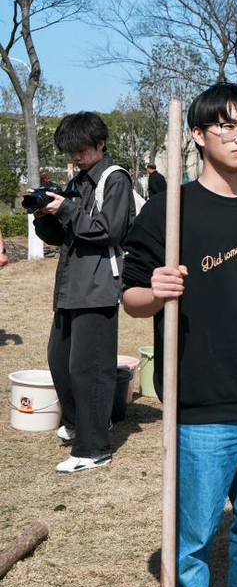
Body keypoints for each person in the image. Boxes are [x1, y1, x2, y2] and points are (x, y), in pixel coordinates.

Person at [121, 83, 237, 587]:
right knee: (192, 540)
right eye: (228, 126)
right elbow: (130, 297)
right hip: (200, 403)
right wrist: (155, 292)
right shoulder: (168, 211)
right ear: (199, 135)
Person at [33, 111, 135, 473]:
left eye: (81, 150)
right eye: (71, 151)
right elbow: (63, 236)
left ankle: (93, 449)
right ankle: (81, 422)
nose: (76, 157)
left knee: (89, 368)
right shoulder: (77, 183)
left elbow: (108, 230)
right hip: (70, 284)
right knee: (59, 360)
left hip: (98, 284)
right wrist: (45, 215)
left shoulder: (115, 178)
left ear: (100, 143)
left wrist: (68, 207)